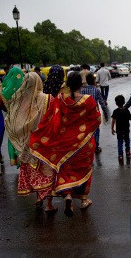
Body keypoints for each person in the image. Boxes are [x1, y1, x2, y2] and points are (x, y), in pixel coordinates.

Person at [29, 72, 101, 217]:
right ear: (81, 84)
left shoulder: (59, 100)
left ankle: (67, 195)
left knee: (65, 170)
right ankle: (83, 201)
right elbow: (97, 119)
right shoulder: (88, 101)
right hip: (84, 144)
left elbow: (49, 120)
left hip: (64, 145)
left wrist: (38, 134)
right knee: (84, 172)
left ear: (67, 84)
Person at [3, 72, 57, 213]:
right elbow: (54, 119)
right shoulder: (48, 98)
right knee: (47, 172)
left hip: (28, 144)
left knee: (32, 171)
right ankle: (49, 204)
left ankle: (38, 198)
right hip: (44, 144)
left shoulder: (18, 100)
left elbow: (11, 119)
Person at [0, 67, 24, 167]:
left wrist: (9, 110)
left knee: (14, 139)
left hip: (11, 119)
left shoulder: (3, 89)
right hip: (24, 119)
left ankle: (16, 159)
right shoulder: (25, 88)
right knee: (24, 141)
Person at [81, 73, 109, 153]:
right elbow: (102, 103)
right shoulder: (96, 90)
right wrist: (106, 113)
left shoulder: (82, 90)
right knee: (96, 130)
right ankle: (96, 147)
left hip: (85, 114)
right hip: (94, 113)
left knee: (87, 130)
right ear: (93, 81)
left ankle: (87, 146)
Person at [111, 95, 131, 161]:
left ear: (116, 103)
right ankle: (128, 152)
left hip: (119, 130)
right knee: (127, 140)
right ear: (124, 102)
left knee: (120, 141)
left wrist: (112, 128)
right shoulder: (126, 110)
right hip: (126, 129)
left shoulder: (115, 111)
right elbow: (130, 118)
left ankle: (120, 154)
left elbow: (113, 120)